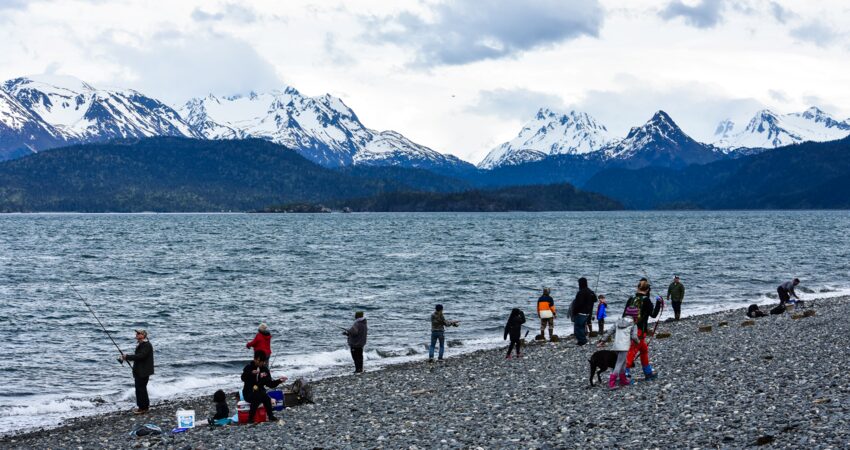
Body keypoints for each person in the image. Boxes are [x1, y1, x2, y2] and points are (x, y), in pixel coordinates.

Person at [623, 280, 663, 381]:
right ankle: (625, 373)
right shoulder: (646, 300)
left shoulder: (631, 298)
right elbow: (653, 314)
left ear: (638, 288)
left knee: (644, 349)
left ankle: (648, 372)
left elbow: (624, 315)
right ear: (648, 290)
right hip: (640, 330)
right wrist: (658, 303)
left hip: (629, 327)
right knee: (633, 350)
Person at [241, 350, 286, 423]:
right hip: (248, 393)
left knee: (266, 397)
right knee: (257, 396)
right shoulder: (248, 367)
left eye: (262, 361)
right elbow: (243, 378)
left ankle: (270, 416)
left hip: (260, 392)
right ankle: (250, 419)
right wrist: (251, 373)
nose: (261, 363)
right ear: (255, 359)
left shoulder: (265, 370)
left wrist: (279, 380)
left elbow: (270, 384)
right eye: (259, 360)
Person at [597, 315, 638, 389]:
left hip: (616, 346)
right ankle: (611, 383)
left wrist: (603, 341)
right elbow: (634, 337)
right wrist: (638, 342)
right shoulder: (633, 324)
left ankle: (623, 380)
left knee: (623, 363)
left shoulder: (618, 322)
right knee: (619, 364)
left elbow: (609, 332)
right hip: (624, 347)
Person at [121, 329, 154, 415]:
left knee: (141, 389)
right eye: (136, 333)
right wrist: (128, 357)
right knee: (140, 389)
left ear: (143, 335)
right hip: (140, 370)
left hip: (143, 371)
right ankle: (143, 407)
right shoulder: (142, 344)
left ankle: (143, 408)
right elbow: (139, 357)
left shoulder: (146, 345)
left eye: (138, 333)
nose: (136, 334)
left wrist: (127, 357)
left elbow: (141, 356)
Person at [572, 277, 598, 346]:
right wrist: (592, 295)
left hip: (580, 312)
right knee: (582, 326)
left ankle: (582, 341)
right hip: (587, 313)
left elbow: (578, 304)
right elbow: (595, 299)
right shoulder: (590, 291)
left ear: (580, 284)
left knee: (578, 327)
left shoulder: (580, 292)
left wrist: (575, 312)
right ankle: (583, 340)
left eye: (579, 283)